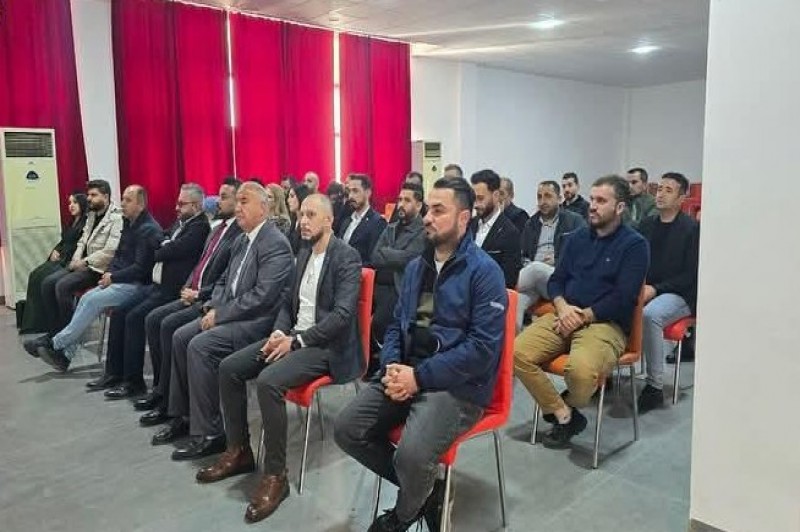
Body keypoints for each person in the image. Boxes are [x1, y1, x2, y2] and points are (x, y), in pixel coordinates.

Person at [334, 176, 508, 532]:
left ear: (463, 218)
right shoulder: (419, 267)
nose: (427, 217)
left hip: (457, 386)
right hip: (409, 371)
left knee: (412, 455)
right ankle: (426, 489)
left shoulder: (484, 273)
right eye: (428, 209)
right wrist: (392, 365)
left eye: (438, 210)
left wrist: (419, 377)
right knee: (347, 429)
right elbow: (398, 324)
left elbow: (481, 350)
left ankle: (404, 513)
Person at [195, 194, 363, 523]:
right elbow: (287, 302)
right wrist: (279, 332)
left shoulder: (346, 256)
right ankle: (239, 450)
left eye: (311, 215)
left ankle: (276, 475)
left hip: (325, 346)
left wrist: (296, 341)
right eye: (301, 215)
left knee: (269, 382)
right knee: (229, 368)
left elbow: (342, 317)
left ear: (329, 220)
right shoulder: (303, 253)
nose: (303, 221)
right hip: (292, 336)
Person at [153, 182, 294, 461]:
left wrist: (221, 314)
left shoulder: (275, 243)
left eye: (244, 202)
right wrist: (213, 305)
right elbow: (223, 281)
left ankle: (211, 433)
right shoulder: (242, 239)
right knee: (180, 336)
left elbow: (262, 297)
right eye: (237, 201)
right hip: (230, 313)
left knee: (200, 346)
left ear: (263, 208)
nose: (237, 208)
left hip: (258, 322)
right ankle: (185, 417)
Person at [514, 175, 649, 448]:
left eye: (601, 201)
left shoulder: (635, 245)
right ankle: (564, 414)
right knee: (515, 353)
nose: (593, 206)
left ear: (620, 207)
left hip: (604, 324)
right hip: (564, 315)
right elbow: (556, 280)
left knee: (580, 373)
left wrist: (582, 316)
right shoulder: (576, 239)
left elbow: (624, 298)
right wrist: (562, 307)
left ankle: (564, 407)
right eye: (593, 199)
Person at [86, 184, 210, 398]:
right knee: (120, 312)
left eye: (182, 204)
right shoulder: (181, 223)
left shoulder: (199, 227)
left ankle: (135, 382)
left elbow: (166, 250)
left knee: (135, 317)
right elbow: (163, 242)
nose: (176, 207)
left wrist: (164, 246)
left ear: (197, 206)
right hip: (157, 285)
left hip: (173, 289)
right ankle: (114, 373)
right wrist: (165, 245)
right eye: (177, 202)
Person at [137, 179, 243, 425]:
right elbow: (200, 265)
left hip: (207, 299)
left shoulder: (237, 234)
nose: (217, 201)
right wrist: (187, 286)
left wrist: (200, 294)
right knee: (153, 319)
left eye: (224, 197)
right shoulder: (217, 229)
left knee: (170, 327)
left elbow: (226, 279)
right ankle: (161, 390)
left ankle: (173, 405)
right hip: (192, 291)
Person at [29, 186, 163, 372]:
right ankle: (65, 355)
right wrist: (109, 274)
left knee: (91, 300)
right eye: (123, 199)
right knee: (85, 298)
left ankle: (55, 343)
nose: (122, 204)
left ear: (140, 205)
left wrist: (113, 276)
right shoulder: (129, 223)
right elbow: (118, 256)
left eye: (128, 200)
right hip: (118, 278)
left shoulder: (148, 230)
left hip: (137, 285)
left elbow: (141, 269)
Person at [636, 172, 699, 413]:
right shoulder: (646, 225)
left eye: (668, 190)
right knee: (613, 301)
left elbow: (690, 275)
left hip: (680, 294)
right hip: (648, 288)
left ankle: (654, 386)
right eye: (659, 189)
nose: (660, 194)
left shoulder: (691, 229)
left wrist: (655, 289)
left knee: (651, 315)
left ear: (682, 198)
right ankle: (604, 374)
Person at [39, 179, 123, 337]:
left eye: (94, 195)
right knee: (47, 283)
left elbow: (110, 251)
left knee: (62, 286)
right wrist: (76, 260)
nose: (89, 198)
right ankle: (54, 332)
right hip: (84, 265)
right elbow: (82, 242)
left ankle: (68, 336)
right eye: (88, 195)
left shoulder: (117, 218)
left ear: (105, 197)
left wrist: (84, 261)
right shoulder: (91, 215)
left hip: (99, 269)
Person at [370, 183, 426, 370]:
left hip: (400, 287)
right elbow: (375, 256)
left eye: (407, 200)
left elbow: (409, 258)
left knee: (381, 321)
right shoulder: (391, 227)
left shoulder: (423, 231)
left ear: (419, 205)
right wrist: (394, 255)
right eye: (400, 199)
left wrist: (387, 252)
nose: (401, 204)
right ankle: (371, 360)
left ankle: (386, 363)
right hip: (379, 285)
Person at [517, 180, 586, 330]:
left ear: (559, 199)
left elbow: (584, 255)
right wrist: (527, 263)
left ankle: (499, 285)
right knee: (513, 305)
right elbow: (523, 254)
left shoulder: (575, 221)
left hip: (560, 278)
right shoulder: (531, 223)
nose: (543, 201)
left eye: (548, 196)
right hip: (535, 282)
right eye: (539, 197)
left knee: (536, 268)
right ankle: (514, 342)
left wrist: (557, 260)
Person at [18, 193, 88, 334]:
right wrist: (54, 251)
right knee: (35, 275)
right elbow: (63, 242)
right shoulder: (71, 222)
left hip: (69, 260)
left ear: (82, 203)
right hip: (61, 257)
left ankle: (49, 323)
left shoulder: (86, 223)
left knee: (44, 279)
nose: (71, 206)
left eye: (75, 202)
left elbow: (80, 247)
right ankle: (37, 321)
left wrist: (63, 255)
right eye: (69, 203)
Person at [468, 169, 521, 289]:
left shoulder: (510, 233)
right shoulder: (469, 225)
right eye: (474, 199)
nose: (475, 205)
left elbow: (509, 279)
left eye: (480, 198)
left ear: (496, 196)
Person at [336, 173, 387, 264]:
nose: (350, 196)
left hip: (358, 270)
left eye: (355, 191)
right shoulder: (346, 220)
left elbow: (373, 260)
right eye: (349, 191)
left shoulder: (378, 223)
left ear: (368, 193)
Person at [287, 183, 311, 254]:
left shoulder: (308, 224)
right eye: (288, 197)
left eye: (292, 196)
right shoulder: (293, 220)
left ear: (301, 197)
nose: (288, 200)